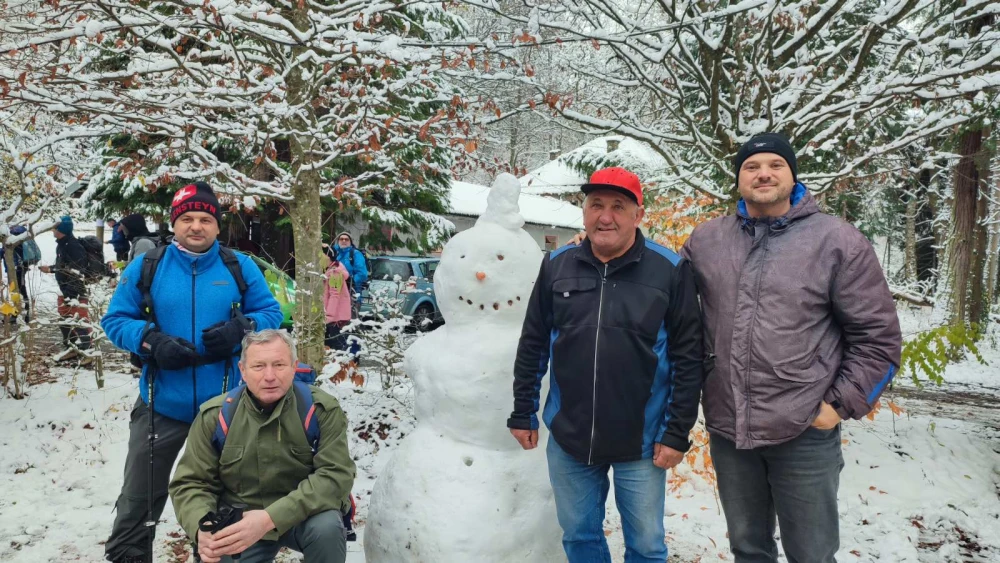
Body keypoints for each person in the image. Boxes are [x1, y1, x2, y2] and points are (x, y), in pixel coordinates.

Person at [681, 133, 902, 562]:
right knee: (748, 548)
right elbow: (660, 290)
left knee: (812, 554)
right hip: (730, 430)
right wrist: (604, 251)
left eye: (775, 165)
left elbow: (880, 340)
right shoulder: (708, 240)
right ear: (739, 179)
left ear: (792, 174)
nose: (763, 172)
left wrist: (837, 406)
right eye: (751, 166)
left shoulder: (837, 241)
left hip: (803, 430)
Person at [508, 167, 704, 562]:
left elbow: (689, 356)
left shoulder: (669, 270)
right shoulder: (557, 265)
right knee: (580, 539)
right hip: (570, 437)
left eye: (618, 206)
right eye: (596, 205)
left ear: (638, 215)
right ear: (584, 213)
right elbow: (533, 343)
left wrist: (677, 431)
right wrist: (522, 411)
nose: (605, 216)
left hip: (642, 442)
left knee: (647, 547)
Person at [101, 181, 284, 563]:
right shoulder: (148, 266)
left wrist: (241, 329)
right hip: (162, 403)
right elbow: (115, 320)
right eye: (187, 218)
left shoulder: (239, 266)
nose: (196, 226)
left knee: (224, 501)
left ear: (217, 226)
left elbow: (272, 313)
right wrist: (150, 340)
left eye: (205, 218)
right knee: (139, 497)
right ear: (174, 223)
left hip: (228, 409)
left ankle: (217, 557)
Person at [169, 329, 356, 563]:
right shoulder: (215, 416)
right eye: (258, 366)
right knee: (218, 550)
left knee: (327, 527)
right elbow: (191, 482)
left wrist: (269, 518)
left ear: (294, 367)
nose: (269, 376)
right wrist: (201, 528)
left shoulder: (319, 411)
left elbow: (335, 476)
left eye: (279, 365)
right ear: (243, 370)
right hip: (239, 518)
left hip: (303, 514)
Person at [38, 216, 91, 360]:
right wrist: (50, 269)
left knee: (78, 319)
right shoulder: (62, 244)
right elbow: (64, 266)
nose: (52, 230)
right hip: (65, 288)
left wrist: (72, 294)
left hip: (74, 290)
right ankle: (71, 347)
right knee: (64, 319)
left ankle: (88, 351)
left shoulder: (73, 246)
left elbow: (77, 270)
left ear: (61, 230)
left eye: (55, 228)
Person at [332, 231, 368, 309]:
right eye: (341, 239)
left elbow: (362, 273)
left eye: (346, 239)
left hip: (352, 294)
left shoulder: (355, 254)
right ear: (338, 241)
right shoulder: (335, 253)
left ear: (350, 242)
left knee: (350, 319)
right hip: (335, 294)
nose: (344, 241)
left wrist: (350, 282)